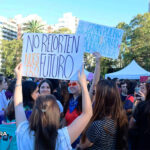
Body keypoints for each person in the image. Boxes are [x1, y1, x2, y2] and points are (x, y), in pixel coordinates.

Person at [14, 63, 92, 150]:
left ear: (35, 112)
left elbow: (18, 105)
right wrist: (84, 86)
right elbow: (87, 113)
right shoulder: (63, 138)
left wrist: (18, 78)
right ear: (56, 113)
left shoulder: (23, 132)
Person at [78, 80, 128, 150]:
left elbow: (81, 145)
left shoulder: (97, 125)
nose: (93, 95)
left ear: (101, 98)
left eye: (95, 93)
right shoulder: (119, 118)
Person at [129, 81, 150, 150]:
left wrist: (144, 102)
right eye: (140, 88)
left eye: (143, 88)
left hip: (142, 142)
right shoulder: (140, 104)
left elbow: (131, 125)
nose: (140, 91)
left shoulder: (143, 105)